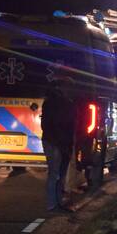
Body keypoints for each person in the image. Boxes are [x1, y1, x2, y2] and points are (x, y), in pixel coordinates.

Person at [40, 75, 76, 213]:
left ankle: (56, 203)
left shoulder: (53, 102)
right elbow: (57, 125)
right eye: (69, 87)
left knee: (58, 174)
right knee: (55, 174)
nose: (71, 90)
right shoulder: (59, 103)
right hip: (56, 143)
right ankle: (53, 204)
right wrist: (62, 144)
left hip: (56, 142)